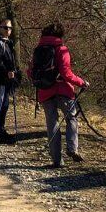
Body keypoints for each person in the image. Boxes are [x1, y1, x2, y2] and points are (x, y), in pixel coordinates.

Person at [28, 21, 86, 167]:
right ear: (60, 34)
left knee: (52, 124)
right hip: (64, 91)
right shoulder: (62, 49)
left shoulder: (37, 50)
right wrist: (82, 82)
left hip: (45, 91)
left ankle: (56, 160)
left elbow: (30, 72)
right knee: (71, 118)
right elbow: (67, 74)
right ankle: (72, 148)